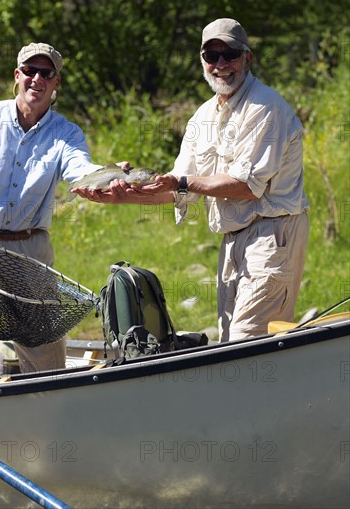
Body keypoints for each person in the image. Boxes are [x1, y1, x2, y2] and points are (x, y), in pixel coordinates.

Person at [72, 18, 310, 342]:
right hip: (231, 239)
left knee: (248, 340)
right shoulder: (202, 116)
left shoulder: (266, 108)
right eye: (212, 55)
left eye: (230, 54)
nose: (221, 64)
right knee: (229, 339)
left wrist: (180, 183)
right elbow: (175, 190)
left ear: (248, 58)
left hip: (273, 233)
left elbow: (246, 186)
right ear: (203, 61)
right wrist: (122, 196)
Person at [0, 42, 105, 377]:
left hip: (31, 253)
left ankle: (46, 425)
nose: (36, 79)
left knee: (48, 363)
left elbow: (80, 169)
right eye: (29, 71)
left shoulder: (66, 134)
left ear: (56, 83)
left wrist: (107, 177)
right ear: (17, 76)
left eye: (46, 73)